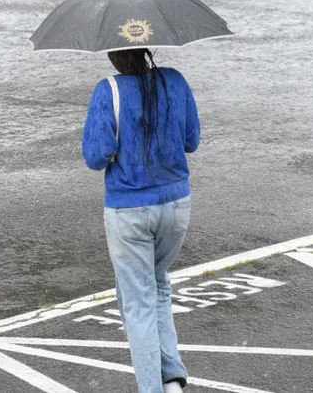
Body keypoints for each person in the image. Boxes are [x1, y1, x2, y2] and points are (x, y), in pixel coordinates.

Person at [82, 48, 200, 393]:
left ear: (115, 55)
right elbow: (191, 141)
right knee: (158, 286)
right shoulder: (174, 80)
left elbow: (95, 157)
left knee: (137, 304)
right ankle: (171, 380)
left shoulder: (109, 90)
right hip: (176, 204)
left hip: (129, 210)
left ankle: (152, 389)